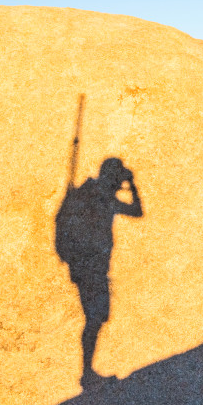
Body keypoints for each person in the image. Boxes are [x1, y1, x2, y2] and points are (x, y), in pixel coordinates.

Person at [55, 157, 142, 389]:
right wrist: (132, 185)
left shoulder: (93, 194)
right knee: (95, 318)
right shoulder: (101, 198)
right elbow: (137, 210)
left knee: (97, 317)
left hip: (89, 268)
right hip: (90, 268)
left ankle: (87, 371)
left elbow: (136, 212)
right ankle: (86, 373)